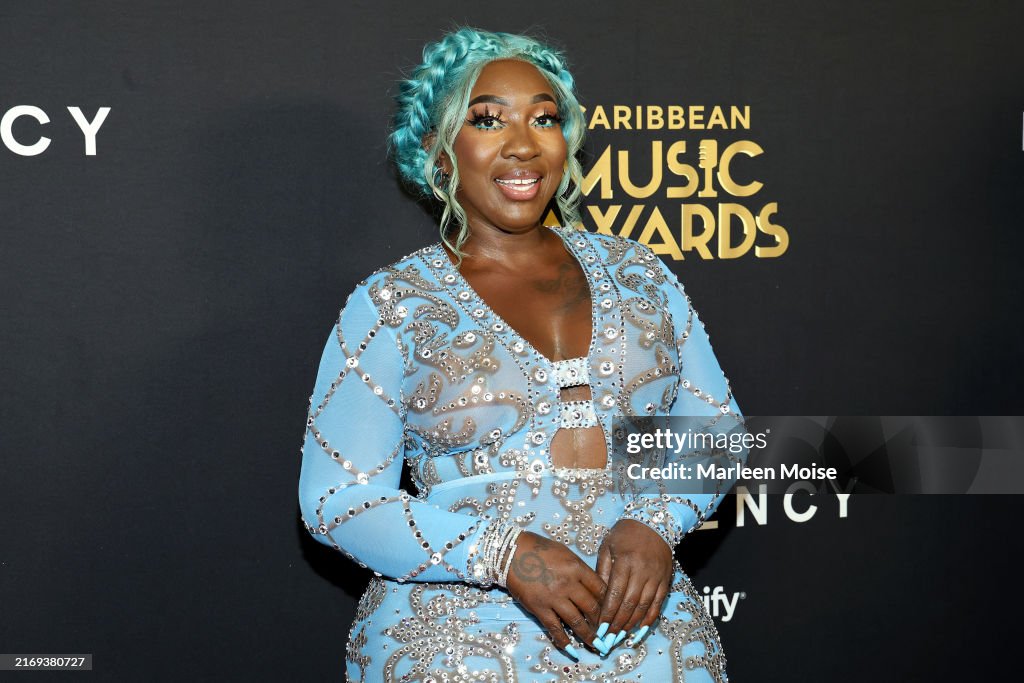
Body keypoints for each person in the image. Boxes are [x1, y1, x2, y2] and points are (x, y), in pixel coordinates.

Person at [298, 27, 743, 682]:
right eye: (487, 120)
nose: (523, 143)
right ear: (438, 150)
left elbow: (718, 430)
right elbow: (338, 498)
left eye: (544, 118)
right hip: (458, 639)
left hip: (648, 632)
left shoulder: (640, 273)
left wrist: (657, 521)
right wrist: (505, 554)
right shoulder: (394, 304)